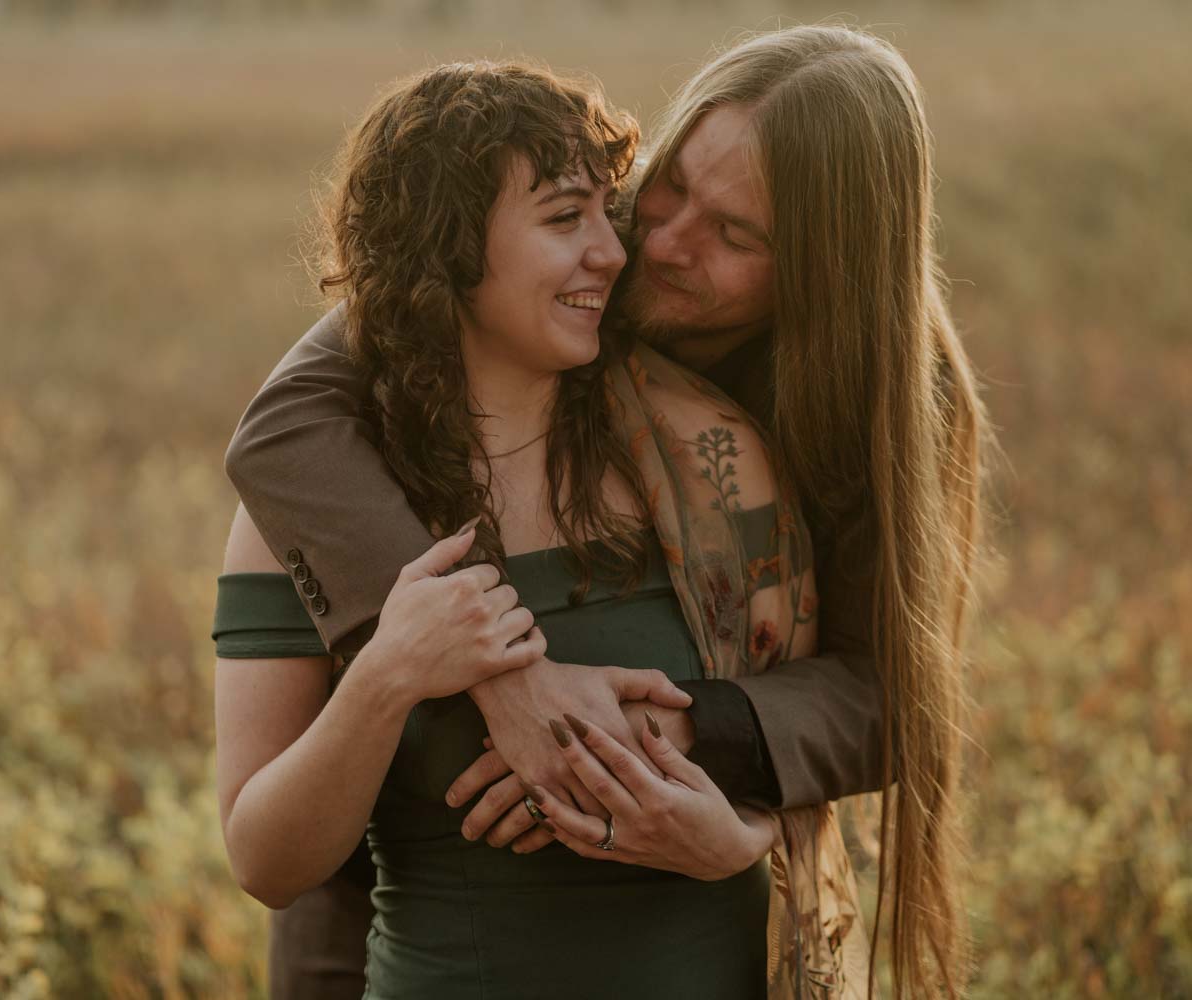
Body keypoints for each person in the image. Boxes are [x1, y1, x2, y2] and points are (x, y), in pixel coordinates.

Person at [225, 26, 987, 1000]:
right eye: (669, 189)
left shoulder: (893, 398)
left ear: (825, 273)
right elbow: (283, 425)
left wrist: (683, 734)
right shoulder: (566, 249)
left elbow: (894, 698)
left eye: (734, 236)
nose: (655, 245)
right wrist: (507, 678)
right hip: (384, 910)